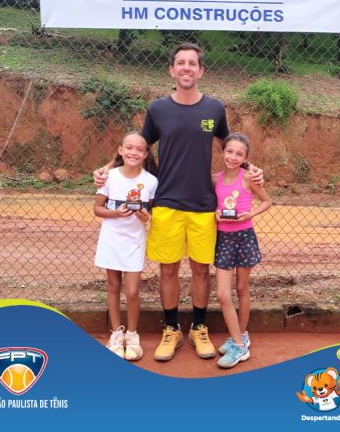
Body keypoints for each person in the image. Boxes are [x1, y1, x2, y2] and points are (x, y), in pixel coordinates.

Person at [94, 42, 263, 362]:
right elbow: (136, 147)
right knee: (168, 270)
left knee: (201, 270)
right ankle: (171, 329)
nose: (186, 68)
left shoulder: (214, 109)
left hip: (203, 205)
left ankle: (198, 327)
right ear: (172, 70)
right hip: (167, 202)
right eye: (181, 63)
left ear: (201, 71)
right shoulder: (158, 109)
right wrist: (107, 168)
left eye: (192, 63)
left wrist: (251, 169)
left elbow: (231, 146)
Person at [93, 132, 158, 361]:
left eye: (139, 149)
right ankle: (116, 334)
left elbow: (150, 213)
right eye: (128, 148)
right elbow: (97, 209)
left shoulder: (151, 181)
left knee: (132, 291)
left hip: (134, 241)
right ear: (120, 150)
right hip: (111, 238)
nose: (133, 152)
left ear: (146, 154)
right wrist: (115, 213)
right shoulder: (109, 177)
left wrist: (145, 217)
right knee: (113, 286)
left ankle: (132, 335)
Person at [214, 133, 272, 368]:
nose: (233, 157)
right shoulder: (215, 179)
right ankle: (239, 342)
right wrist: (214, 213)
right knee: (222, 294)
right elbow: (212, 205)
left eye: (239, 154)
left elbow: (267, 201)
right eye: (229, 152)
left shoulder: (248, 178)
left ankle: (241, 338)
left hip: (244, 236)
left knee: (241, 288)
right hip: (223, 239)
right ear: (222, 152)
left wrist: (250, 214)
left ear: (245, 158)